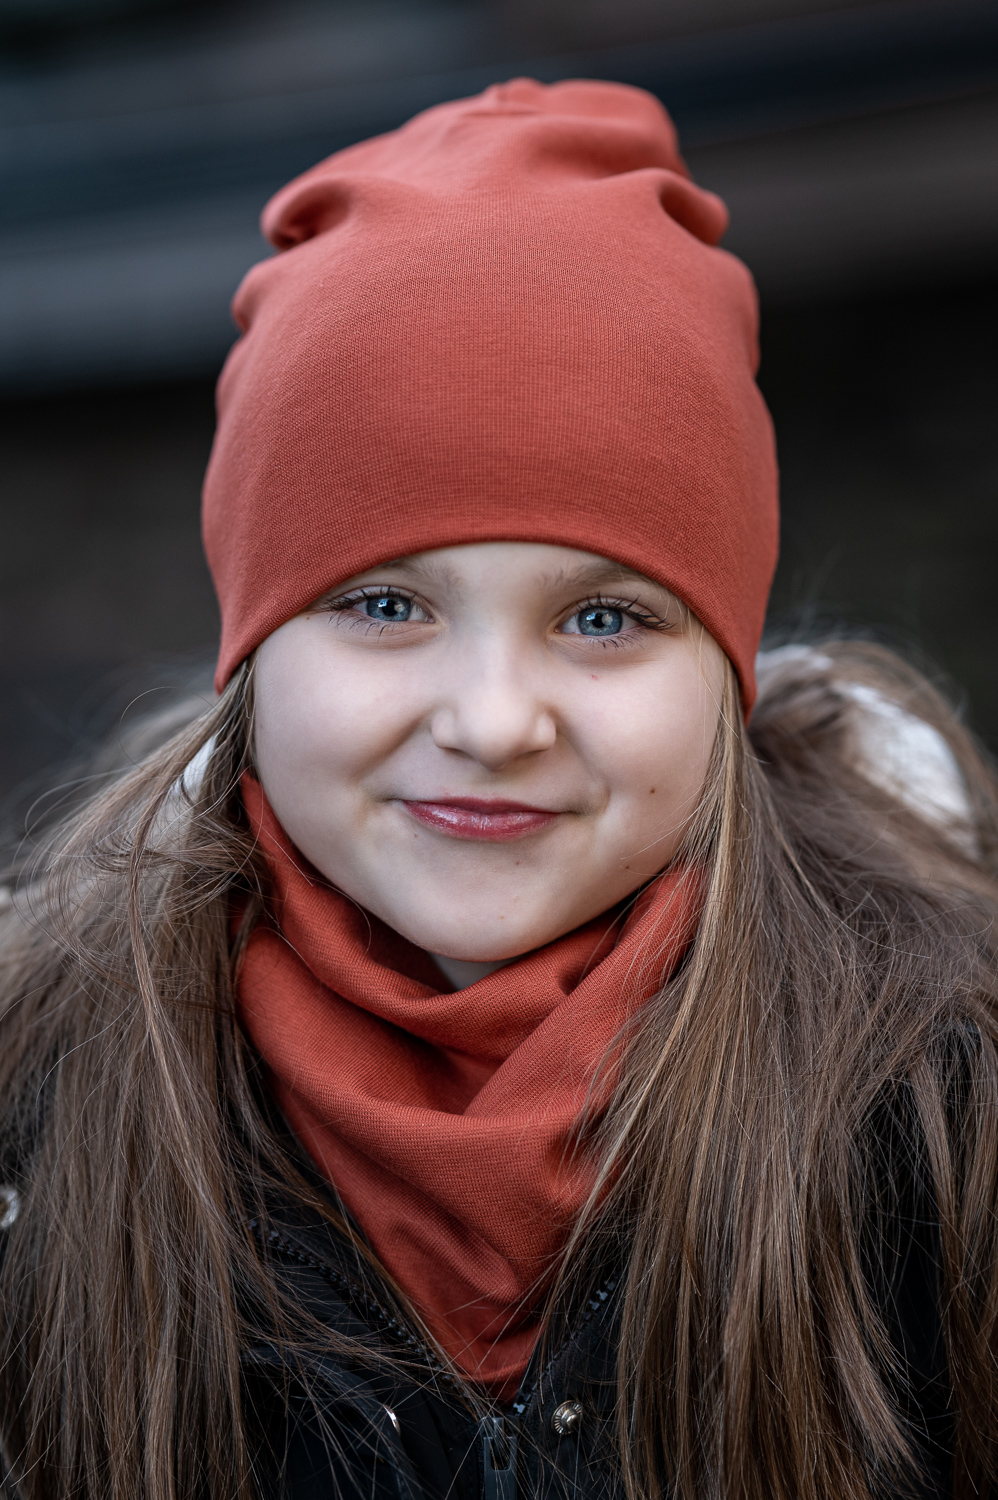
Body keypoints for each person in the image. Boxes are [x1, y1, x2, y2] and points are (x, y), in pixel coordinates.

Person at [1, 77, 997, 1500]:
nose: (490, 721)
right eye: (386, 606)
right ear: (252, 655)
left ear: (726, 669)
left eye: (602, 618)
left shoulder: (941, 1112)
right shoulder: (40, 1110)